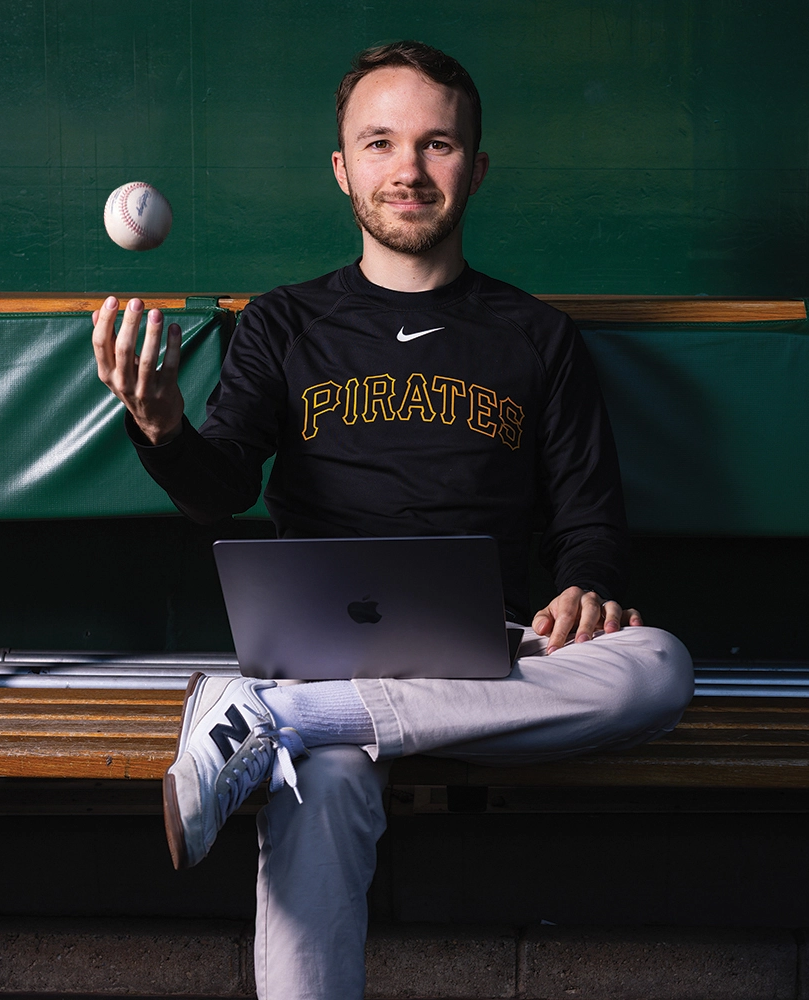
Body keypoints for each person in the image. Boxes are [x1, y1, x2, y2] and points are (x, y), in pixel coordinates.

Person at [92, 40, 694, 1000]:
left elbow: (591, 523)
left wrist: (590, 589)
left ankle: (275, 722)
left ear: (476, 168)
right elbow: (219, 490)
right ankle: (296, 718)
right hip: (326, 652)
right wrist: (160, 424)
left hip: (492, 660)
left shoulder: (538, 337)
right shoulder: (284, 324)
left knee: (658, 667)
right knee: (323, 781)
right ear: (343, 169)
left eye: (437, 145)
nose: (408, 170)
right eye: (380, 143)